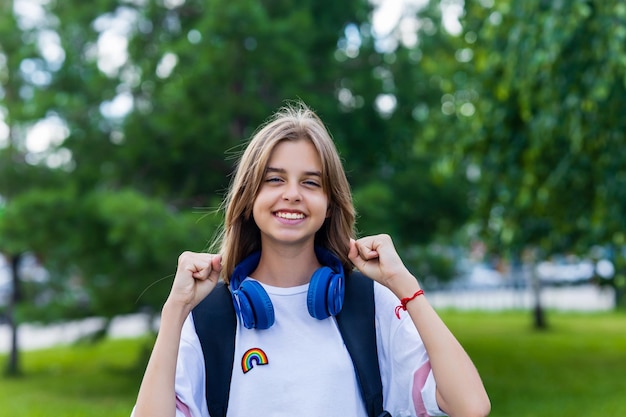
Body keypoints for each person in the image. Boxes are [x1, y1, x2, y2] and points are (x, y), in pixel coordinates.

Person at [132, 102, 490, 417]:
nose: (291, 195)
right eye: (274, 180)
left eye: (311, 183)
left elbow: (470, 406)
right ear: (249, 197)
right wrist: (174, 311)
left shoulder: (369, 302)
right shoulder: (209, 316)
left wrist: (405, 286)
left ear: (330, 203)